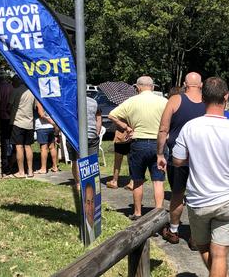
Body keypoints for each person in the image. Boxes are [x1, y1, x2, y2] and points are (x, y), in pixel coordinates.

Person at [172, 77, 229, 277]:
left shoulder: (190, 127)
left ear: (203, 97)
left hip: (199, 201)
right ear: (226, 97)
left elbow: (177, 160)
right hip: (227, 200)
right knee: (220, 256)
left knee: (203, 247)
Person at [109, 76, 168, 220]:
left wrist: (126, 127)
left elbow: (112, 115)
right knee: (158, 181)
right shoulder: (164, 102)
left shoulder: (131, 101)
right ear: (153, 87)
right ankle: (158, 212)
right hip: (158, 144)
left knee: (137, 180)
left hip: (138, 143)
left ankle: (137, 212)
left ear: (138, 88)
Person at [156, 72, 206, 245]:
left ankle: (174, 230)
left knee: (177, 194)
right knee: (198, 196)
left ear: (185, 84)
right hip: (202, 159)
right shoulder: (208, 103)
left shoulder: (175, 100)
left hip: (178, 157)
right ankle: (195, 235)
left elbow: (163, 129)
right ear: (200, 85)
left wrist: (160, 153)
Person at [68, 95, 101, 190]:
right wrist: (97, 131)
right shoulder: (93, 102)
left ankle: (78, 184)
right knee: (92, 161)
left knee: (76, 161)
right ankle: (91, 183)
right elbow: (98, 117)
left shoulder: (70, 102)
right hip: (92, 135)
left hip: (75, 135)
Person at [8, 76, 36, 178]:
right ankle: (31, 171)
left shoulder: (15, 91)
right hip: (29, 123)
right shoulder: (32, 92)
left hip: (17, 122)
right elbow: (34, 107)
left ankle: (21, 172)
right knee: (28, 146)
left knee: (19, 146)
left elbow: (9, 106)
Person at [34, 103, 59, 174]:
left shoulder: (39, 100)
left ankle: (43, 168)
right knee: (52, 147)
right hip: (51, 127)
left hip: (42, 127)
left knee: (43, 148)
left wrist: (52, 122)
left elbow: (41, 114)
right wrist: (53, 123)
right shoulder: (48, 99)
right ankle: (55, 166)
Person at [0, 73, 13, 173]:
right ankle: (10, 157)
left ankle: (5, 160)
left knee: (4, 139)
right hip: (11, 116)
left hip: (2, 116)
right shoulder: (11, 87)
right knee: (10, 139)